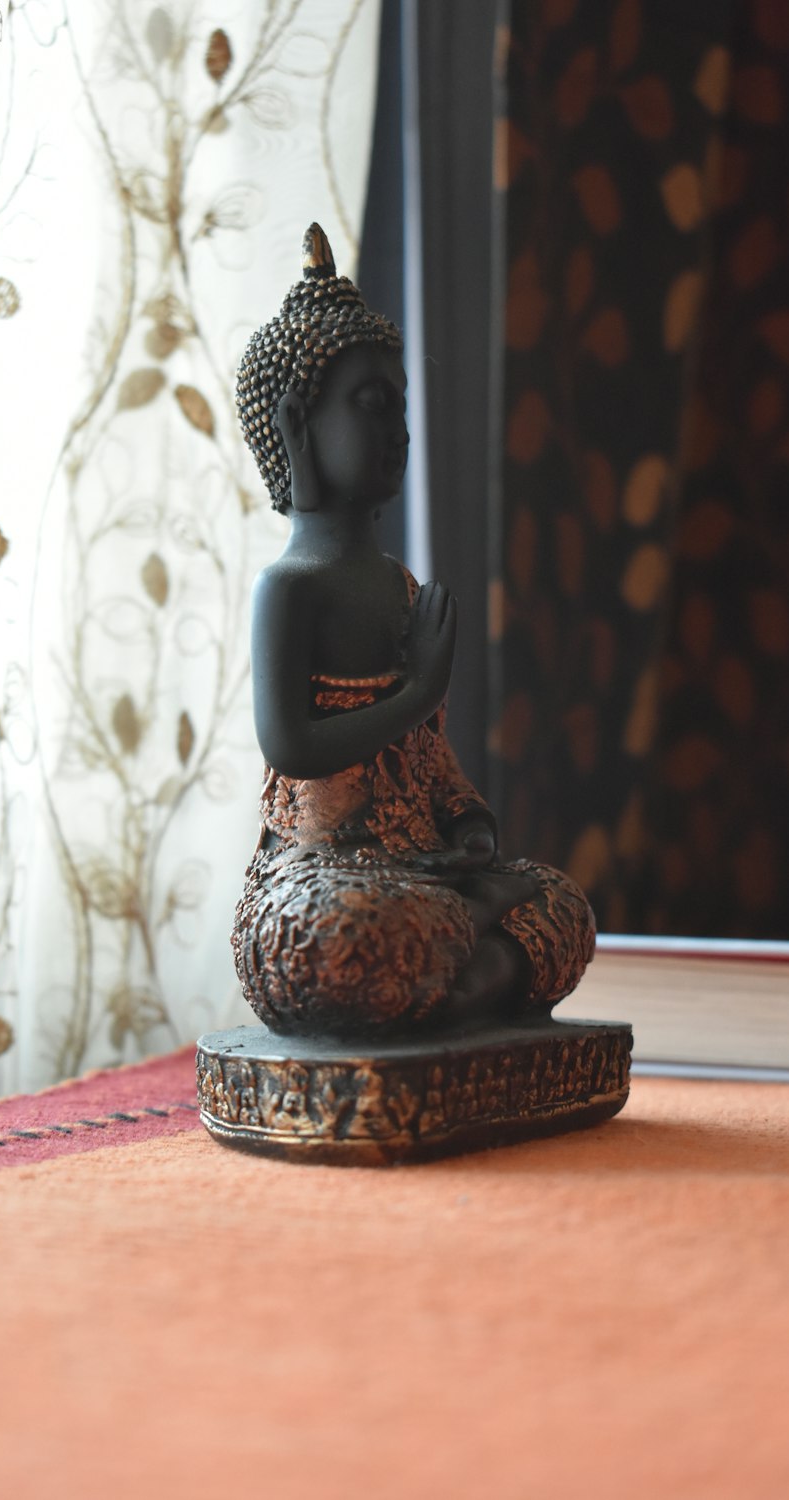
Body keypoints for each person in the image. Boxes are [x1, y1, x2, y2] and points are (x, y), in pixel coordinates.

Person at [231, 225, 594, 1037]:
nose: (396, 426)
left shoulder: (398, 587)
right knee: (346, 934)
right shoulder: (288, 589)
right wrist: (421, 689)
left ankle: (446, 982)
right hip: (323, 870)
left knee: (560, 902)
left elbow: (426, 755)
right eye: (370, 404)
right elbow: (292, 746)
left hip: (419, 866)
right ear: (296, 428)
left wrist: (467, 827)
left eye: (400, 403)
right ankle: (464, 979)